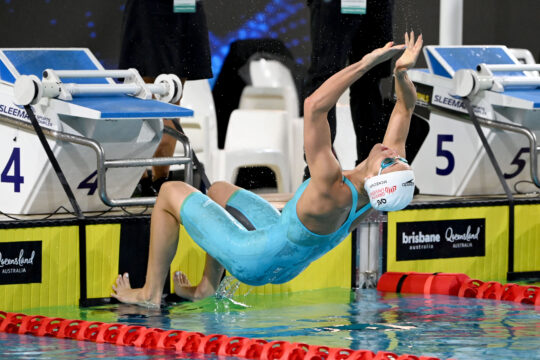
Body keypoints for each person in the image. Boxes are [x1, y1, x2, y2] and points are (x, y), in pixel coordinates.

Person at [112, 32, 423, 307]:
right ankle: (207, 288)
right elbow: (405, 107)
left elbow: (314, 105)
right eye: (397, 159)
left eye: (388, 160)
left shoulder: (331, 185)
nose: (389, 152)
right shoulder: (375, 190)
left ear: (373, 178)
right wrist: (400, 73)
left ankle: (149, 293)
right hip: (282, 253)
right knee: (219, 190)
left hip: (253, 257)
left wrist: (365, 63)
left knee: (168, 192)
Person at [118, 0, 213, 195]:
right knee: (143, 100)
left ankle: (157, 182)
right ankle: (147, 180)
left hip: (179, 7)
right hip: (156, 11)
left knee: (169, 102)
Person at [303, 0, 395, 177]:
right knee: (325, 79)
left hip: (376, 5)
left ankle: (373, 169)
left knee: (371, 80)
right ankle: (318, 172)